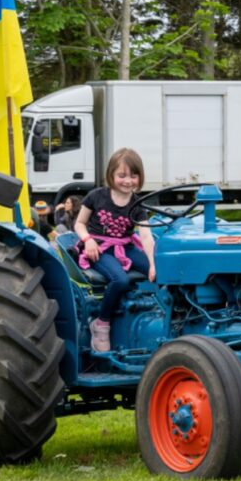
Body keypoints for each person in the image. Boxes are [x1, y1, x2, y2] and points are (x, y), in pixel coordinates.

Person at [74, 148, 156, 354]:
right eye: (122, 175)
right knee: (120, 280)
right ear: (111, 175)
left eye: (133, 175)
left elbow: (145, 235)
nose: (128, 181)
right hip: (99, 248)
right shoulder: (97, 197)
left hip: (125, 246)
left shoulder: (137, 204)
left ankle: (153, 315)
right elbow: (79, 223)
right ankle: (102, 324)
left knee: (161, 272)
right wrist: (88, 240)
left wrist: (153, 264)